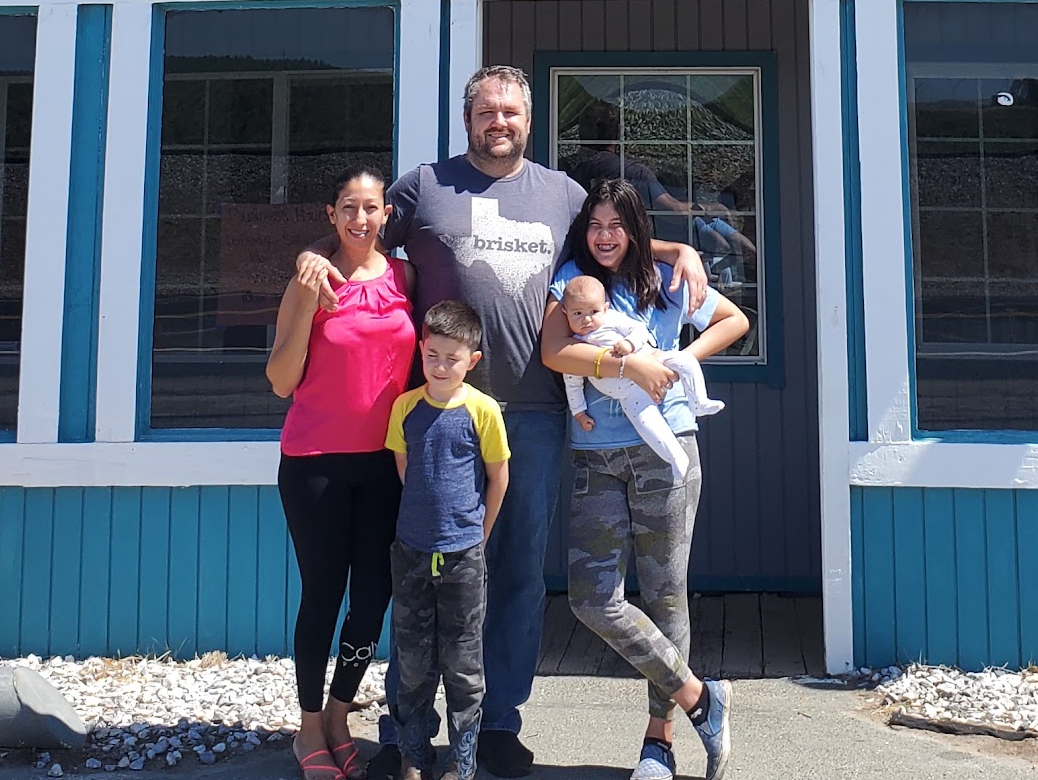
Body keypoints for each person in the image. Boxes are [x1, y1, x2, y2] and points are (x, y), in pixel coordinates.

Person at [297, 64, 707, 779]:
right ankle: (407, 726)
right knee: (423, 570)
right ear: (469, 118)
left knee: (517, 574)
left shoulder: (564, 194)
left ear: (526, 119)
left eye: (512, 112)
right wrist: (313, 255)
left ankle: (496, 723)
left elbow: (616, 244)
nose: (500, 123)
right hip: (437, 414)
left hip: (536, 415)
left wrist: (678, 247)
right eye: (488, 111)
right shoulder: (424, 187)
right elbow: (360, 234)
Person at [541, 179, 749, 780]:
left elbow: (735, 319)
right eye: (594, 225)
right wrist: (626, 362)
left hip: (667, 449)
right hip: (595, 454)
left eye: (616, 224)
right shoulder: (574, 285)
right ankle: (701, 699)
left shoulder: (666, 284)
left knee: (664, 594)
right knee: (592, 597)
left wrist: (683, 360)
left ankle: (658, 743)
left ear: (634, 227)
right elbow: (556, 352)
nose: (604, 237)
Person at [268, 165, 417, 779]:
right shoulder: (308, 280)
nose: (361, 219)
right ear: (331, 215)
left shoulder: (407, 276)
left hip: (385, 463)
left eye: (371, 208)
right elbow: (281, 381)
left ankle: (338, 712)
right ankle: (307, 728)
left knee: (374, 596)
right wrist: (309, 300)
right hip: (315, 465)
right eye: (348, 208)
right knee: (324, 594)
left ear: (387, 215)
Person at [384, 299, 511, 780]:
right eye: (432, 355)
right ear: (421, 351)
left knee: (462, 664)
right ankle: (414, 753)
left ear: (471, 361)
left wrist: (479, 533)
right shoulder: (406, 407)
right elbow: (404, 468)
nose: (440, 366)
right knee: (413, 663)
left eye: (452, 358)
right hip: (411, 551)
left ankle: (462, 760)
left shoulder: (483, 411)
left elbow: (498, 479)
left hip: (462, 558)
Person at [558, 271, 723, 471]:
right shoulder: (574, 346)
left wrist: (629, 343)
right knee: (648, 424)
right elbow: (572, 383)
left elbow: (639, 330)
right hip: (628, 393)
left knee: (685, 360)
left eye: (593, 312)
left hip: (652, 358)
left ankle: (699, 401)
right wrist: (579, 412)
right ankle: (676, 458)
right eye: (578, 314)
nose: (587, 319)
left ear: (605, 308)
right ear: (565, 313)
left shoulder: (612, 319)